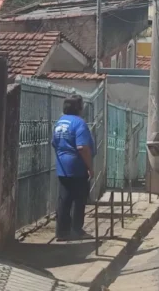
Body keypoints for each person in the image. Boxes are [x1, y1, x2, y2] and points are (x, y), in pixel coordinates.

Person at [52, 95, 96, 241]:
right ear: (78, 108)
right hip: (77, 165)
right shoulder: (79, 123)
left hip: (62, 166)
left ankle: (62, 231)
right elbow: (82, 147)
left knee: (64, 199)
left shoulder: (60, 122)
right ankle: (76, 230)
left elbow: (54, 143)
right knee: (79, 199)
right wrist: (90, 167)